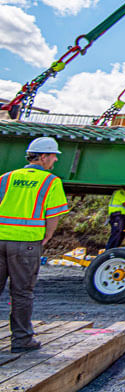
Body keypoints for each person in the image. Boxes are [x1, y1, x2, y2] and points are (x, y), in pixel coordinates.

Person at [0, 137, 70, 352]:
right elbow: (53, 216)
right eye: (53, 156)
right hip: (27, 243)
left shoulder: (5, 178)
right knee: (21, 293)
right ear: (42, 157)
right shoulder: (50, 181)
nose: (55, 161)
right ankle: (21, 340)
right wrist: (47, 237)